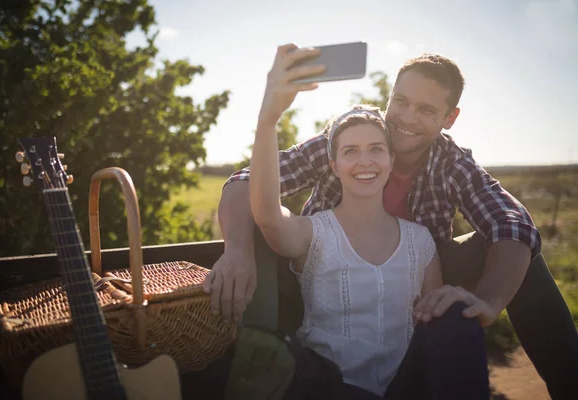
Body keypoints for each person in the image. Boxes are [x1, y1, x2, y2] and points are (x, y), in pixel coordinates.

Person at [203, 44, 578, 399]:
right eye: (400, 101)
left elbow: (512, 222)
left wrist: (489, 300)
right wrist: (237, 249)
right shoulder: (357, 134)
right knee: (260, 240)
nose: (407, 118)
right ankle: (265, 365)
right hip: (323, 275)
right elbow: (247, 183)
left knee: (517, 251)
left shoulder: (452, 162)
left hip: (413, 279)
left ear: (450, 118)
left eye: (427, 110)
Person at [245, 43, 491, 399]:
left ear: (391, 161)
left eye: (376, 149)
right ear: (334, 166)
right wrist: (269, 119)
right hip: (327, 386)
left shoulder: (421, 242)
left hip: (403, 387)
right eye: (350, 151)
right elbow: (267, 213)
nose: (365, 161)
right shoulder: (314, 233)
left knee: (454, 318)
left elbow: (432, 324)